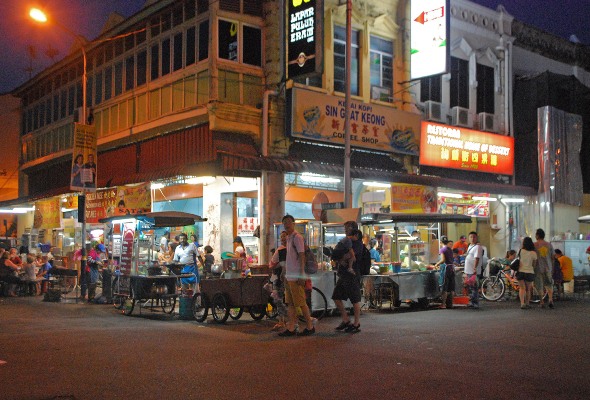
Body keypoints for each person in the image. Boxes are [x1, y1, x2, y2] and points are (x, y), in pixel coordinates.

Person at [278, 214, 315, 337]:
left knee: (301, 303)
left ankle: (310, 326)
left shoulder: (297, 237)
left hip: (296, 276)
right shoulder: (288, 238)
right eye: (285, 222)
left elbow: (302, 255)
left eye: (289, 222)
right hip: (289, 276)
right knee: (291, 304)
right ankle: (291, 327)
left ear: (293, 224)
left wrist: (301, 274)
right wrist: (284, 273)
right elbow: (290, 258)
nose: (287, 224)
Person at [332, 220, 363, 333]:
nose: (345, 231)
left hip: (352, 275)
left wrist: (341, 259)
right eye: (345, 229)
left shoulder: (357, 243)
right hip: (343, 274)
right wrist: (339, 259)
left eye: (347, 229)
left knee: (355, 299)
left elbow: (351, 255)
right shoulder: (345, 241)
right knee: (336, 296)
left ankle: (356, 322)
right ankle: (345, 319)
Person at [269, 231, 288, 331]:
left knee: (279, 299)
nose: (283, 239)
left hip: (281, 278)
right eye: (281, 237)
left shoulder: (283, 250)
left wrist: (278, 267)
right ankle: (284, 320)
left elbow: (276, 264)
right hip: (282, 277)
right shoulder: (282, 249)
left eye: (284, 236)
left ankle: (283, 320)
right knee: (282, 299)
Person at [534, 228, 555, 308]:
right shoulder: (549, 244)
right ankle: (550, 300)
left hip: (538, 268)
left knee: (539, 285)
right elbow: (553, 257)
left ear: (538, 235)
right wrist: (552, 267)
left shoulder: (534, 245)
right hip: (548, 268)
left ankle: (542, 302)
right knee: (549, 284)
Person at [517, 237, 537, 309]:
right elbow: (534, 264)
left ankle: (522, 303)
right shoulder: (533, 253)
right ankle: (527, 303)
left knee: (522, 288)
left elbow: (518, 261)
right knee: (528, 289)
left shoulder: (521, 251)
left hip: (521, 271)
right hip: (529, 272)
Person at [464, 231, 482, 309]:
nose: (472, 238)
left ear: (476, 237)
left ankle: (475, 303)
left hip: (473, 271)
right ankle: (472, 301)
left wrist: (475, 268)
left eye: (474, 237)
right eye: (471, 237)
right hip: (468, 270)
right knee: (470, 287)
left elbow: (476, 258)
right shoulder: (470, 246)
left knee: (474, 287)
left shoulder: (477, 247)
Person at [435, 239, 455, 309]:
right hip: (452, 268)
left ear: (441, 242)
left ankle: (443, 304)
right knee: (451, 288)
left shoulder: (442, 250)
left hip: (446, 269)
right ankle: (450, 304)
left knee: (444, 288)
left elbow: (443, 260)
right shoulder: (450, 249)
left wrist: (437, 264)